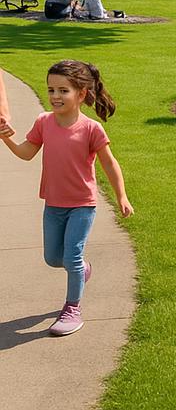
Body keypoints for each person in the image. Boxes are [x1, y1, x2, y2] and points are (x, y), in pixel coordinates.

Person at [0, 59, 133, 336]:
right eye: (51, 90)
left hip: (82, 205)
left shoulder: (91, 128)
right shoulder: (44, 122)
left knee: (71, 256)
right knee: (53, 258)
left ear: (81, 94)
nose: (55, 96)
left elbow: (109, 163)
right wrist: (6, 138)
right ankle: (82, 270)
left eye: (63, 91)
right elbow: (26, 153)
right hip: (53, 203)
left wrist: (122, 196)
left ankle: (73, 308)